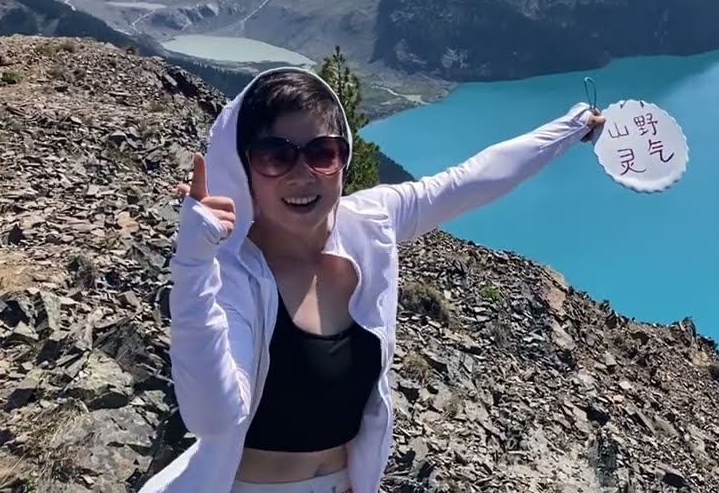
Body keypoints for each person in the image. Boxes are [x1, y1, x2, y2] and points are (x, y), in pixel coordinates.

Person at [139, 66, 604, 493]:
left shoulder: (369, 224)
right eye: (275, 156)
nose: (304, 174)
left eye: (323, 152)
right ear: (243, 167)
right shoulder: (233, 272)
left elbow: (471, 180)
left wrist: (570, 127)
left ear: (343, 158)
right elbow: (214, 417)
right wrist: (195, 264)